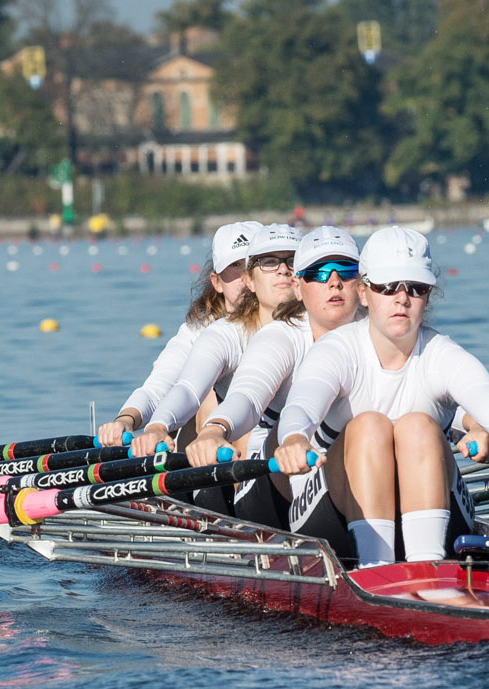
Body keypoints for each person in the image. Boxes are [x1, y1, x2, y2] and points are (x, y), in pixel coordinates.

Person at [274, 225, 489, 568]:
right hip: (333, 520)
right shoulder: (337, 350)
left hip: (436, 520)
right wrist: (295, 438)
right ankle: (377, 566)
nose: (402, 298)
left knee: (418, 426)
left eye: (416, 288)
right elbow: (301, 405)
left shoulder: (441, 354)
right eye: (388, 287)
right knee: (369, 426)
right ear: (364, 293)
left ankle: (427, 569)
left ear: (428, 296)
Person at [191, 224, 364, 531]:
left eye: (346, 270)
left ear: (362, 285)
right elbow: (245, 396)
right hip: (272, 481)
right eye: (318, 273)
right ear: (300, 286)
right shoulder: (279, 337)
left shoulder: (384, 335)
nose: (334, 282)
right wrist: (213, 429)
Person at [128, 223, 299, 461]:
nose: (282, 271)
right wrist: (152, 425)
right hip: (231, 444)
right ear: (217, 282)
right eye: (268, 262)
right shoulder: (211, 332)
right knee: (208, 396)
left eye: (289, 261)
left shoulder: (316, 325)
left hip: (285, 444)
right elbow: (179, 388)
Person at [97, 219, 260, 447]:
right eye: (235, 266)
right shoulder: (202, 331)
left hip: (268, 437)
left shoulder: (294, 325)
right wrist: (126, 420)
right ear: (217, 282)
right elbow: (161, 387)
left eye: (252, 265)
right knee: (204, 400)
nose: (245, 277)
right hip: (221, 441)